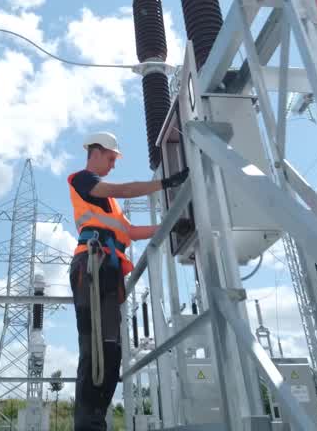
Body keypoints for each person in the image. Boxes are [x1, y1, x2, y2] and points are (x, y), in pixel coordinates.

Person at [69, 131, 189, 431]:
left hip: (107, 271)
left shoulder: (109, 201)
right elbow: (126, 189)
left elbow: (130, 232)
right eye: (111, 158)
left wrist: (171, 224)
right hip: (91, 266)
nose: (113, 165)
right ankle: (87, 425)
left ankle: (96, 421)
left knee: (111, 350)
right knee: (93, 347)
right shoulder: (83, 180)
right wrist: (165, 183)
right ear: (96, 152)